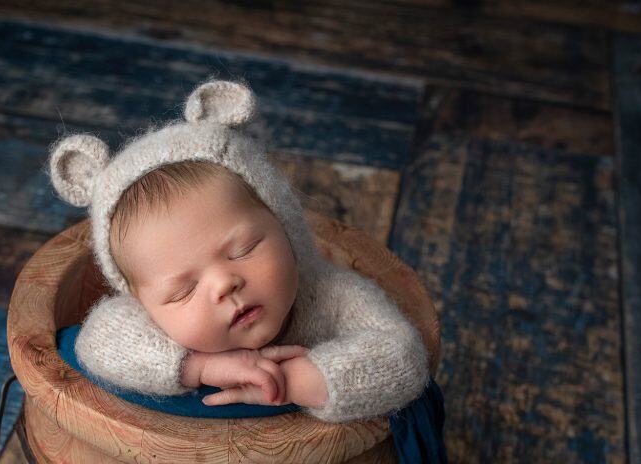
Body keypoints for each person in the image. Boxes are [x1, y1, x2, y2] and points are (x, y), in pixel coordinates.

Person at [47, 78, 429, 423]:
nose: (224, 284)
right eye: (183, 290)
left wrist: (298, 380)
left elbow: (403, 356)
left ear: (285, 227)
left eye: (244, 249)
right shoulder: (150, 326)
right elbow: (97, 342)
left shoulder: (330, 295)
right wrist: (197, 367)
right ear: (143, 302)